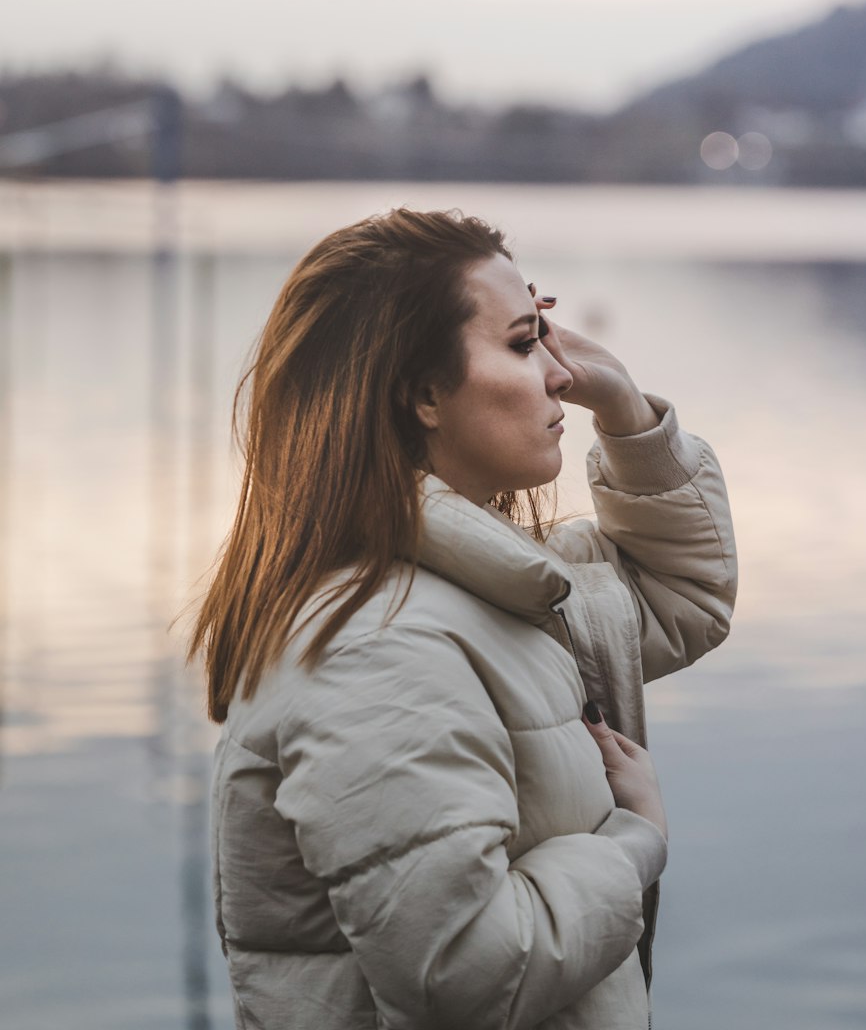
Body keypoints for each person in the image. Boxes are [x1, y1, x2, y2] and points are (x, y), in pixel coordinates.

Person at [188, 207, 737, 1030]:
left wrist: (622, 406)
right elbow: (466, 975)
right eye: (522, 344)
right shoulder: (377, 647)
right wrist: (634, 845)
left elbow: (682, 595)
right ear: (421, 394)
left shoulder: (486, 589)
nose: (558, 373)